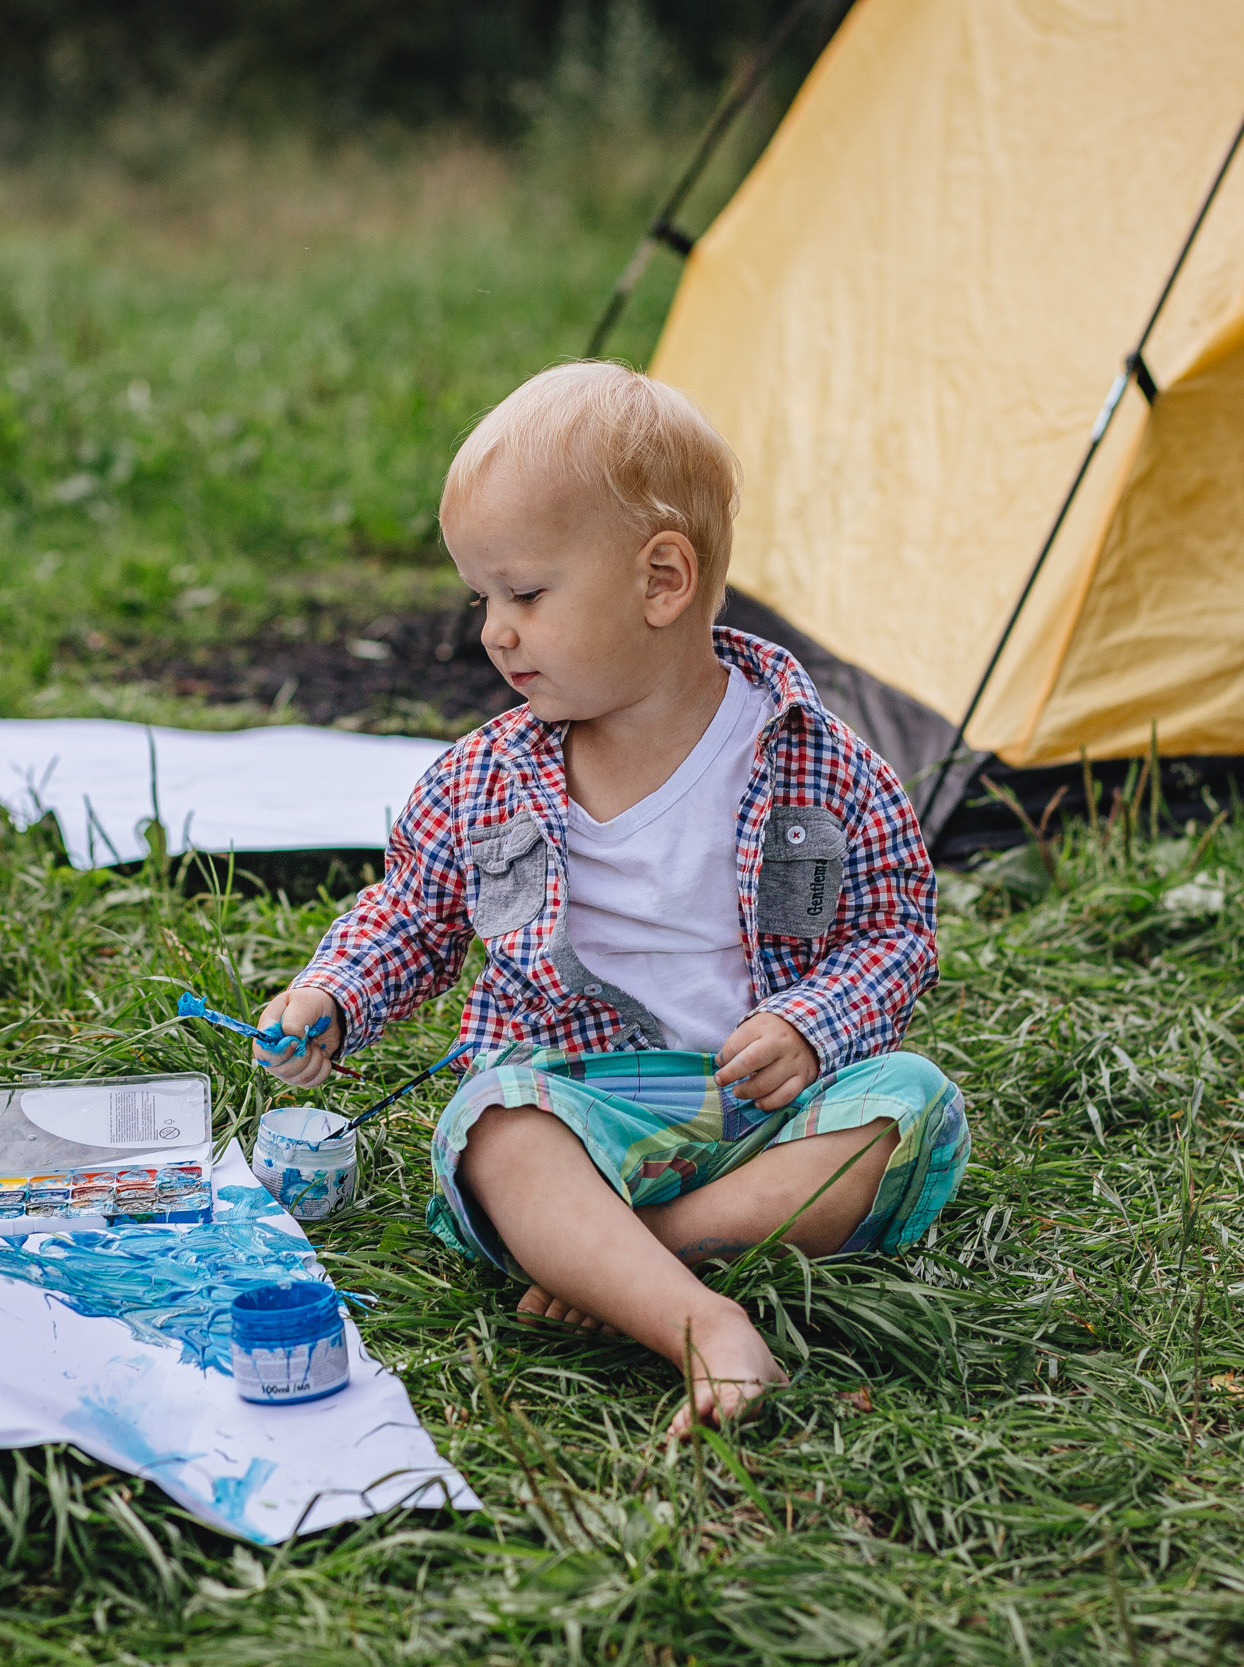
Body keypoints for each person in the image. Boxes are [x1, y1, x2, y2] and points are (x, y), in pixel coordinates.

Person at [251, 361, 967, 1438]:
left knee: (911, 1104)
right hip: (580, 1101)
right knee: (493, 1126)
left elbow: (891, 933)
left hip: (759, 1117)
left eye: (526, 595)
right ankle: (699, 1316)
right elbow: (413, 913)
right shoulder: (488, 778)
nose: (492, 631)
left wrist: (814, 1026)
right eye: (481, 598)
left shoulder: (815, 763)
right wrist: (334, 991)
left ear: (662, 580)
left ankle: (632, 1248)